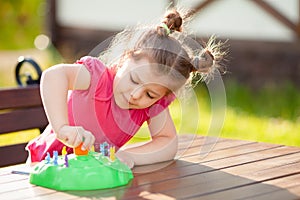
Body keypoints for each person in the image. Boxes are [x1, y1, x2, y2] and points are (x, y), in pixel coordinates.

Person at [26, 9, 227, 168]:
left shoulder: (150, 106)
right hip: (45, 167)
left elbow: (167, 142)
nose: (136, 94)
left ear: (161, 97)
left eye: (150, 94)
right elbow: (54, 76)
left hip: (91, 178)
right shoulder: (96, 78)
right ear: (124, 59)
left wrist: (129, 156)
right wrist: (62, 128)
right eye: (133, 79)